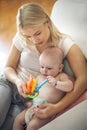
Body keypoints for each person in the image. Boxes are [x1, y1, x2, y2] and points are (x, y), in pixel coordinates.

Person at [0, 2, 87, 129]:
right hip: (9, 85)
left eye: (37, 33)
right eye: (28, 36)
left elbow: (83, 79)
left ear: (46, 21)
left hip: (31, 100)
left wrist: (57, 108)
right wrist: (18, 81)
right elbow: (8, 67)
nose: (34, 40)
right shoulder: (21, 38)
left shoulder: (63, 43)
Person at [12, 46, 74, 130]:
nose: (44, 71)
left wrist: (56, 83)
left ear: (60, 68)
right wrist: (30, 92)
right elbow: (35, 90)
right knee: (18, 120)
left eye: (49, 68)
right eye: (42, 67)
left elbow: (69, 86)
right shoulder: (39, 76)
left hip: (47, 111)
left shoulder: (60, 77)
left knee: (32, 126)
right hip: (33, 107)